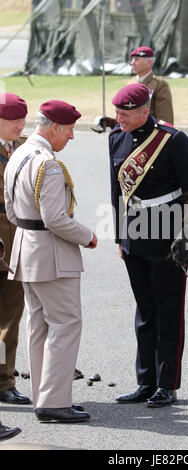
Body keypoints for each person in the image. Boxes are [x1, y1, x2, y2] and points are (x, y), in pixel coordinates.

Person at [109, 83, 188, 407]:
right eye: (117, 112)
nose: (118, 118)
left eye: (124, 113)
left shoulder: (173, 141)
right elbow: (117, 194)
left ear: (144, 111)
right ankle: (145, 381)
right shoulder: (116, 138)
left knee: (169, 312)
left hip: (167, 236)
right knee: (145, 312)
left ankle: (167, 383)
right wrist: (120, 237)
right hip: (134, 235)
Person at [4, 100, 97, 423]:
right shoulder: (48, 164)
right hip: (52, 255)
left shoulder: (17, 153)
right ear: (54, 128)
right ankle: (54, 401)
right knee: (65, 325)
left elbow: (12, 211)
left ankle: (45, 397)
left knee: (39, 326)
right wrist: (87, 236)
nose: (71, 137)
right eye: (69, 130)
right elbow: (56, 219)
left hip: (26, 251)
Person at [0, 92, 30, 406]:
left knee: (10, 319)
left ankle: (4, 380)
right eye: (13, 120)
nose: (19, 125)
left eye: (22, 119)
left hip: (16, 244)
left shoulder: (23, 148)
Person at [129, 46, 174, 124]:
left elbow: (165, 118)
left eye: (136, 59)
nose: (132, 63)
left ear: (149, 63)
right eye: (132, 59)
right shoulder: (130, 83)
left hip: (150, 132)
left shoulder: (159, 85)